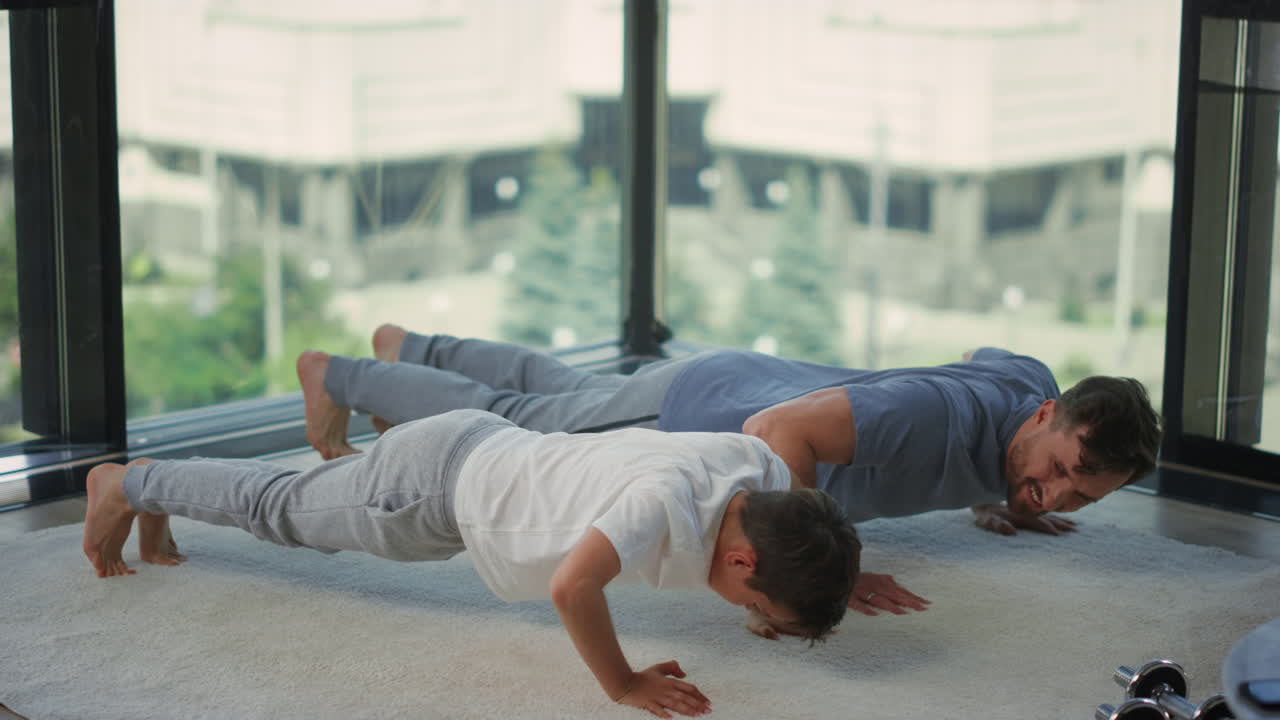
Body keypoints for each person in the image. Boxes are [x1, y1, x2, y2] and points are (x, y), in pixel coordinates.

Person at [299, 324, 1161, 631]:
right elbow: (779, 432)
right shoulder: (923, 418)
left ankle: (410, 351)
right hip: (704, 414)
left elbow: (982, 355)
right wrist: (830, 556)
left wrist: (1006, 495)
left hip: (742, 374)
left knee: (572, 394)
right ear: (1046, 421)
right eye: (1056, 475)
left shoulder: (1033, 388)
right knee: (524, 424)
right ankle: (336, 376)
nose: (1055, 495)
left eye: (1081, 495)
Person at [82, 408, 860, 718]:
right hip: (430, 499)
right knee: (280, 510)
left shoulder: (751, 470)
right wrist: (622, 682)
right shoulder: (658, 503)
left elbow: (796, 491)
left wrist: (822, 576)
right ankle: (127, 483)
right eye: (755, 604)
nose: (748, 614)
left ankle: (156, 496)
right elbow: (571, 585)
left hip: (482, 446)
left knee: (304, 496)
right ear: (740, 555)